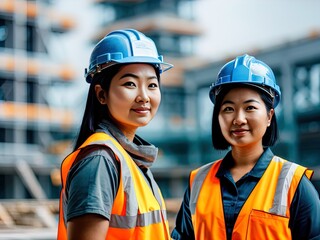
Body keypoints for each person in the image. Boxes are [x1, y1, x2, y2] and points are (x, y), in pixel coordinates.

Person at [171, 54, 320, 240]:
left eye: (250, 108)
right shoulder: (199, 182)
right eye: (228, 109)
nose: (239, 119)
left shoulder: (294, 185)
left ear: (269, 116)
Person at [57, 29, 173, 240]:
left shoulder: (131, 160)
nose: (144, 96)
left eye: (152, 85)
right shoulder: (99, 161)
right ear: (102, 94)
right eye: (130, 83)